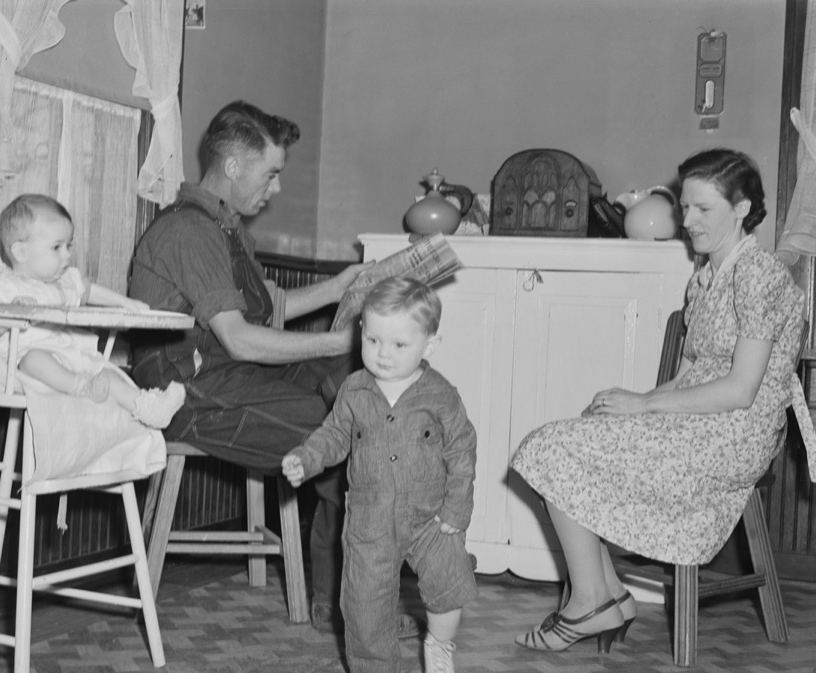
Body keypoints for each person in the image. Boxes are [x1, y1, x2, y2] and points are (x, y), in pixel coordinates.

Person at [129, 100, 427, 637]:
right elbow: (241, 340)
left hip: (232, 378)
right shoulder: (189, 232)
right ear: (235, 167)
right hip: (193, 396)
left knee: (362, 387)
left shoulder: (225, 227)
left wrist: (345, 285)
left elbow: (273, 309)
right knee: (351, 428)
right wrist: (341, 338)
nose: (278, 188)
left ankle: (351, 589)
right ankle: (346, 605)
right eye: (272, 173)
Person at [510, 148, 805, 653]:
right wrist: (636, 400)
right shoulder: (707, 277)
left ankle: (591, 603)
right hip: (700, 419)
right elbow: (689, 377)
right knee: (566, 438)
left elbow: (740, 389)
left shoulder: (759, 275)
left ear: (741, 208)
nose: (687, 220)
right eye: (684, 207)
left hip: (734, 434)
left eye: (703, 209)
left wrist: (644, 409)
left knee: (549, 448)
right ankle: (604, 595)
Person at [282, 277, 477, 673]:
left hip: (432, 517)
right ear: (361, 334)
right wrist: (308, 458)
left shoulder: (441, 395)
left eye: (399, 345)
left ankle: (440, 643)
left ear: (429, 345)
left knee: (448, 582)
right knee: (363, 606)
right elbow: (334, 434)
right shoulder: (354, 390)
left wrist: (457, 507)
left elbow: (461, 449)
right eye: (373, 341)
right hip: (370, 518)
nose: (384, 354)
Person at [0, 194, 186, 429]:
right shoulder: (6, 287)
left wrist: (125, 303)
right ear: (21, 252)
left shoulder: (64, 282)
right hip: (19, 366)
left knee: (104, 373)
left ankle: (149, 407)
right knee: (34, 359)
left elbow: (89, 292)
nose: (67, 255)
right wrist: (12, 312)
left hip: (67, 354)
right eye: (56, 247)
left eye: (68, 245)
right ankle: (79, 386)